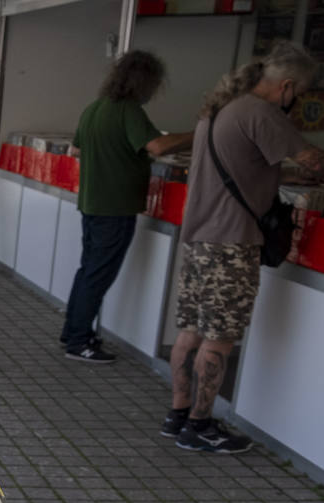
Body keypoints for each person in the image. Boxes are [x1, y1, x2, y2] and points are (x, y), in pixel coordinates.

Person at [163, 42, 324, 453]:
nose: (298, 100)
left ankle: (177, 415)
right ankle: (199, 426)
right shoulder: (262, 112)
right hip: (231, 244)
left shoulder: (221, 109)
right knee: (220, 337)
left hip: (199, 240)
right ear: (286, 86)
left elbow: (245, 166)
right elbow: (313, 159)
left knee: (190, 330)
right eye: (301, 92)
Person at [61, 51, 193, 364]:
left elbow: (75, 149)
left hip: (92, 203)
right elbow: (157, 146)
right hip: (115, 207)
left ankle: (73, 332)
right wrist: (200, 133)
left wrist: (109, 157)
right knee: (98, 275)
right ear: (144, 82)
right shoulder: (129, 111)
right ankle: (78, 342)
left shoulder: (95, 108)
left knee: (88, 270)